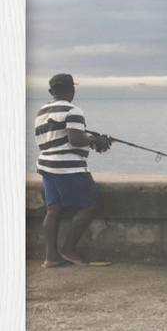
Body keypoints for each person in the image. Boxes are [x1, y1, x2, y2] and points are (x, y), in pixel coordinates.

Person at [34, 74, 113, 266]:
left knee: (54, 209)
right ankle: (68, 249)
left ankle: (51, 256)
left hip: (46, 165)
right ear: (72, 90)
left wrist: (89, 140)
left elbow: (60, 139)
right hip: (67, 168)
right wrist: (97, 140)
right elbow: (75, 140)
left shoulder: (41, 112)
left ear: (51, 91)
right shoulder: (73, 110)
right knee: (90, 204)